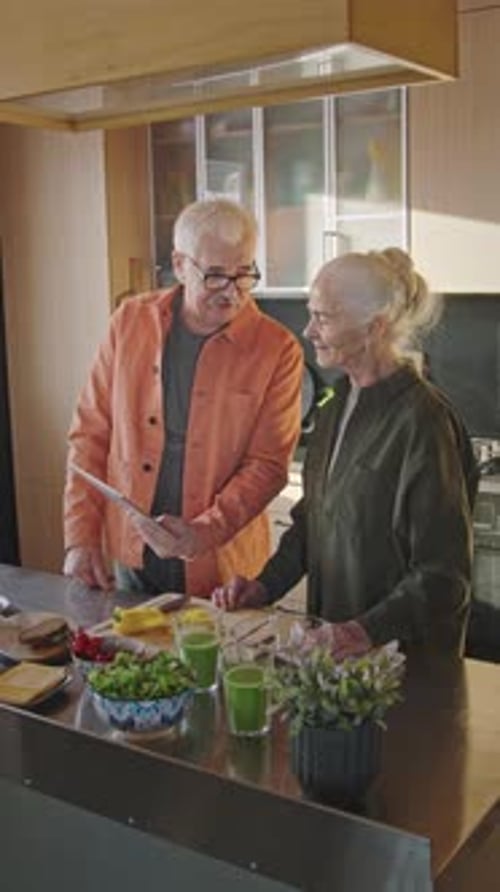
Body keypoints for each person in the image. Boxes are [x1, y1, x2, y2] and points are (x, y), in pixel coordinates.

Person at [213, 248, 474, 658]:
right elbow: (311, 522)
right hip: (337, 665)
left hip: (405, 668)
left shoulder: (424, 421)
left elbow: (444, 576)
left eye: (323, 317)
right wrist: (264, 586)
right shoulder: (336, 405)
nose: (308, 331)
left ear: (374, 327)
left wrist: (362, 631)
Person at [63, 199, 303, 597]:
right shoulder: (129, 321)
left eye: (244, 273)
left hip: (224, 567)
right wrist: (80, 537)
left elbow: (267, 465)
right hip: (133, 557)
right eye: (215, 276)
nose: (232, 292)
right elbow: (90, 435)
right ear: (179, 265)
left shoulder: (278, 349)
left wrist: (204, 532)